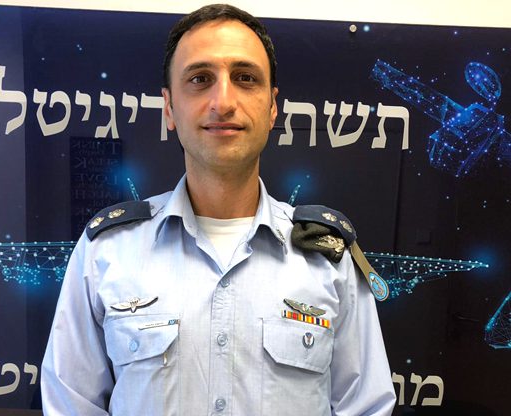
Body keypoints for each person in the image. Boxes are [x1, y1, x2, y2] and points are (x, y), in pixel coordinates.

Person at [41, 4, 396, 415]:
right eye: (200, 79)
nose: (223, 101)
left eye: (245, 78)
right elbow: (70, 405)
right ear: (169, 108)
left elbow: (366, 407)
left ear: (272, 108)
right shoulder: (107, 252)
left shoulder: (328, 259)